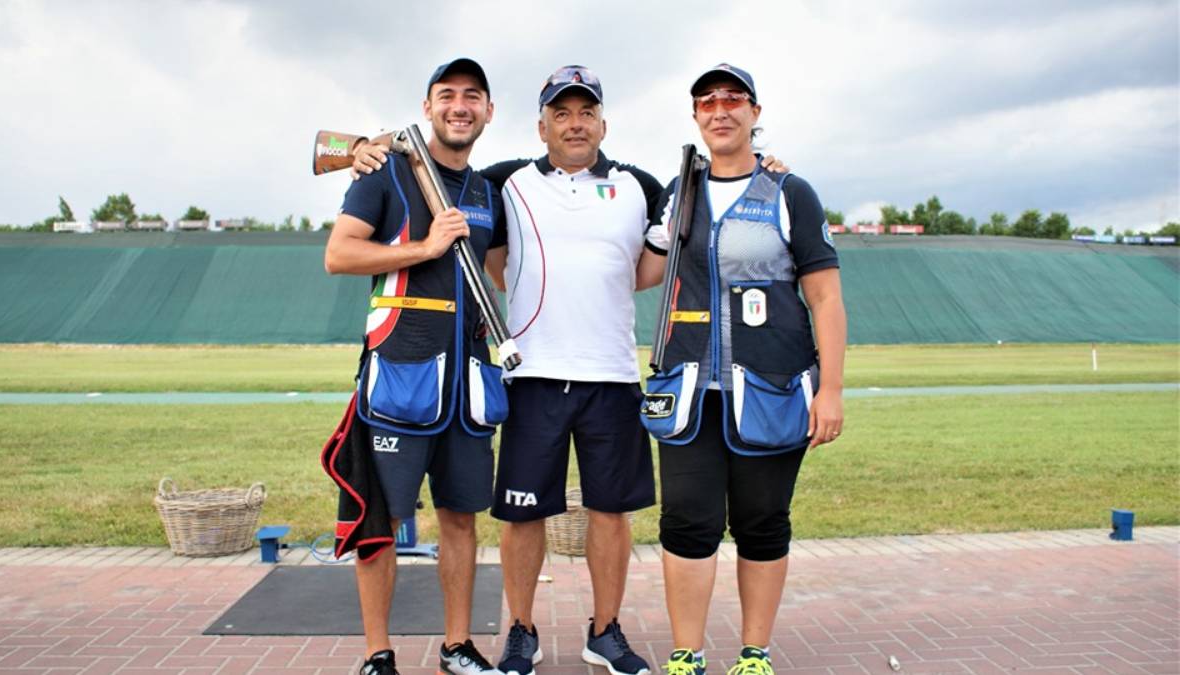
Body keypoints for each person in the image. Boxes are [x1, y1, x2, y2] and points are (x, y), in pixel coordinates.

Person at [351, 65, 787, 675]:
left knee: (612, 512)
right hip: (531, 375)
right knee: (522, 512)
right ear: (541, 124)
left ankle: (604, 632)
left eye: (586, 112)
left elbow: (704, 202)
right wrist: (367, 147)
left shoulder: (644, 186)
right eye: (561, 113)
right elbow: (479, 242)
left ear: (603, 122)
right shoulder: (503, 183)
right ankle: (522, 633)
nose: (574, 123)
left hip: (612, 375)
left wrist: (771, 170)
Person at [639, 64, 846, 675]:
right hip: (688, 389)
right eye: (707, 101)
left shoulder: (789, 193)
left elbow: (826, 298)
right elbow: (641, 273)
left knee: (761, 522)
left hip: (772, 387)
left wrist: (830, 390)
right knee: (686, 522)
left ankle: (754, 653)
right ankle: (687, 654)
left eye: (733, 99)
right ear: (695, 115)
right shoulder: (678, 192)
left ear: (755, 112)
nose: (720, 110)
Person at [323, 58, 508, 675]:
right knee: (382, 521)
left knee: (461, 518)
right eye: (447, 95)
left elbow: (500, 268)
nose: (460, 106)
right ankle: (379, 655)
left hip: (466, 383)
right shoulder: (384, 172)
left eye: (472, 96)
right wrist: (424, 247)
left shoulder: (487, 190)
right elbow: (339, 254)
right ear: (427, 107)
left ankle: (457, 646)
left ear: (488, 111)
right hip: (400, 374)